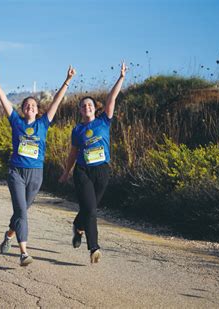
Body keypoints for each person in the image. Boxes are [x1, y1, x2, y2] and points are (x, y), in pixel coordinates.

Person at [0, 60, 75, 266]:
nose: (30, 107)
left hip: (36, 174)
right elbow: (2, 98)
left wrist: (67, 81)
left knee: (21, 210)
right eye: (27, 105)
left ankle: (9, 234)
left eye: (34, 105)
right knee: (22, 212)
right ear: (23, 109)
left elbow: (57, 101)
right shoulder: (15, 121)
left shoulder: (43, 123)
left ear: (37, 110)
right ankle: (24, 252)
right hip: (16, 172)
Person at [59, 61, 127, 264]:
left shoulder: (103, 120)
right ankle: (94, 248)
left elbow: (112, 98)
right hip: (83, 172)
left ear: (94, 108)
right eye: (83, 106)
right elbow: (73, 153)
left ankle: (78, 227)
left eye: (89, 104)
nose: (86, 107)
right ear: (80, 110)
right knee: (91, 209)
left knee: (90, 208)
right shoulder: (77, 130)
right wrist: (66, 172)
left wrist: (121, 77)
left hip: (102, 171)